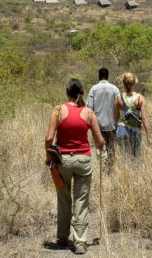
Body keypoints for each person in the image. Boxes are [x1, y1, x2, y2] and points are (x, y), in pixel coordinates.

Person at [45, 79, 105, 255]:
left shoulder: (57, 111)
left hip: (62, 161)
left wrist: (48, 155)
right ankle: (80, 242)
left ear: (66, 92)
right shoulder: (88, 113)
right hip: (83, 161)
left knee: (64, 199)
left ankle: (62, 237)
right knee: (81, 201)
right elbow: (99, 140)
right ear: (81, 93)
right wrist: (102, 147)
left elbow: (49, 139)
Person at [86, 68, 119, 166]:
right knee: (111, 148)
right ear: (108, 76)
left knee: (100, 149)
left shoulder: (93, 89)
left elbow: (89, 108)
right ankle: (110, 169)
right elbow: (120, 105)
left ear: (99, 76)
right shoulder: (115, 89)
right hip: (112, 124)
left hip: (97, 126)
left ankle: (103, 172)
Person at [114, 72, 151, 160]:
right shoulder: (140, 98)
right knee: (135, 157)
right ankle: (133, 173)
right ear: (134, 83)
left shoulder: (118, 97)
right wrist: (148, 137)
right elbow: (145, 119)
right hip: (136, 130)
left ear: (123, 83)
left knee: (125, 157)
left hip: (122, 129)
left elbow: (115, 117)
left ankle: (126, 173)